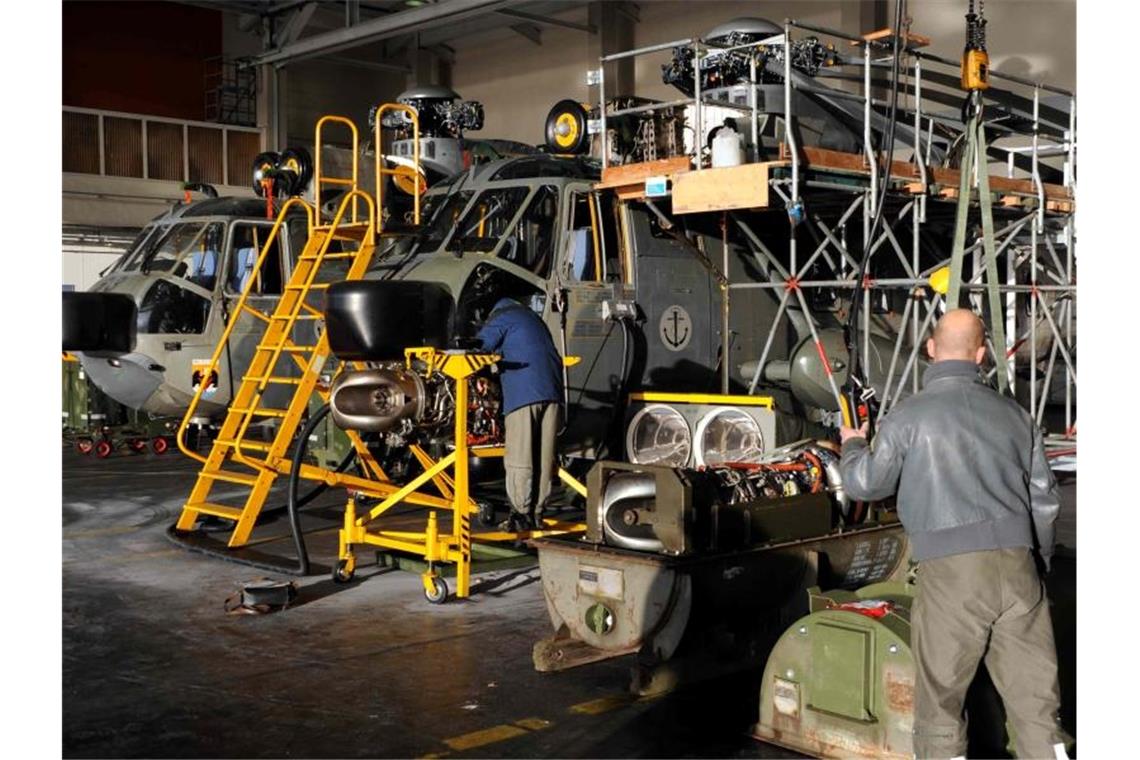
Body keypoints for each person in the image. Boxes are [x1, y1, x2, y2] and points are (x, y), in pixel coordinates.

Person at [838, 309, 1067, 759]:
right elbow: (1044, 499)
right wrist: (1036, 564)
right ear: (981, 354)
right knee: (1038, 710)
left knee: (941, 708)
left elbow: (866, 483)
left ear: (930, 349)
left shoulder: (908, 417)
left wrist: (852, 444)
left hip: (952, 577)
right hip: (1019, 569)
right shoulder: (1016, 416)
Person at [475, 296, 564, 531]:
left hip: (525, 394)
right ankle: (537, 513)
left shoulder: (502, 317)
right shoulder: (532, 318)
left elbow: (476, 349)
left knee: (520, 456)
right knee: (544, 457)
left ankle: (520, 514)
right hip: (553, 393)